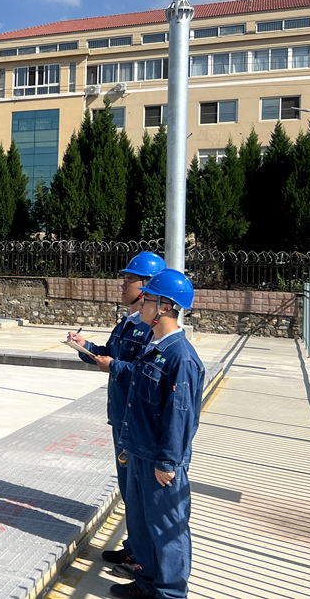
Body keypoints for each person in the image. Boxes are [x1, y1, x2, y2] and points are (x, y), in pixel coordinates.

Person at [95, 269, 204, 599]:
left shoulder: (181, 357)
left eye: (149, 300)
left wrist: (167, 462)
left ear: (165, 307)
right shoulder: (154, 347)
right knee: (142, 524)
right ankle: (146, 584)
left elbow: (179, 417)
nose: (142, 304)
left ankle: (170, 593)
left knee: (167, 529)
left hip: (159, 460)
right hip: (139, 449)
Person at [66, 251, 165, 571]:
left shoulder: (151, 330)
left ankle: (141, 556)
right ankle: (134, 547)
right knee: (128, 488)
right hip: (121, 416)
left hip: (134, 420)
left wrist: (115, 366)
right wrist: (85, 347)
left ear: (147, 285)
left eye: (129, 280)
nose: (122, 285)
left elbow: (147, 374)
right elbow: (109, 354)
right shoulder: (128, 323)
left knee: (138, 490)